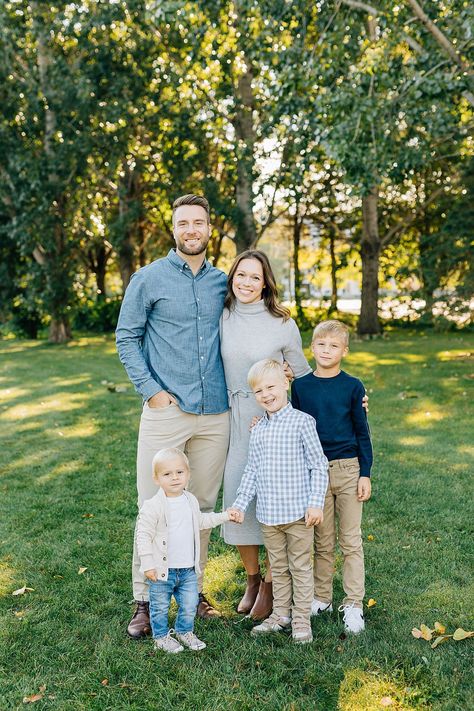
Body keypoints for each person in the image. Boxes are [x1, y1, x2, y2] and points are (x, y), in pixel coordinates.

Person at [116, 194, 230, 638]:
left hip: (216, 413)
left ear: (208, 228)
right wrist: (152, 392)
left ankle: (192, 593)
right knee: (156, 508)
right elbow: (127, 337)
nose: (191, 230)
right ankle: (144, 601)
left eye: (198, 222)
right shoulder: (148, 279)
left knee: (199, 507)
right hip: (167, 412)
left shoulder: (224, 281)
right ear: (174, 229)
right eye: (183, 223)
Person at [220, 250, 311, 620]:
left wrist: (352, 398)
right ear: (232, 278)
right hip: (237, 419)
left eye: (254, 277)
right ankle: (253, 579)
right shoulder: (222, 316)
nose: (246, 283)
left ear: (265, 283)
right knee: (239, 497)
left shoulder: (283, 323)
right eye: (240, 275)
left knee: (276, 501)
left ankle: (274, 583)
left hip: (275, 422)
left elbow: (304, 374)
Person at [232, 359, 329, 644]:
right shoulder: (258, 429)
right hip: (269, 515)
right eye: (259, 391)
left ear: (285, 383)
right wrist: (239, 504)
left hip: (299, 514)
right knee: (279, 567)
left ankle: (301, 620)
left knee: (300, 567)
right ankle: (280, 615)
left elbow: (318, 465)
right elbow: (252, 470)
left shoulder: (302, 422)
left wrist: (315, 503)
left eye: (271, 387)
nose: (266, 394)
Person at [291, 320, 373, 634]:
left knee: (350, 542)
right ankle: (321, 596)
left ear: (345, 351)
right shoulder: (300, 386)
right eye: (321, 344)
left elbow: (362, 432)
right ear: (312, 347)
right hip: (314, 472)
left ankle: (353, 604)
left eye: (334, 346)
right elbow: (293, 427)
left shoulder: (353, 386)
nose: (327, 351)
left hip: (348, 469)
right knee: (322, 542)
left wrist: (365, 473)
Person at [136, 448, 241, 653]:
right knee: (159, 607)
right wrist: (148, 564)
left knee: (190, 604)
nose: (174, 478)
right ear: (156, 479)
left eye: (179, 472)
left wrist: (225, 516)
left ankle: (185, 631)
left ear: (188, 474)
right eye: (167, 474)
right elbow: (143, 536)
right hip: (162, 571)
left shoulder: (190, 500)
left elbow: (202, 521)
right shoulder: (153, 506)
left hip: (187, 570)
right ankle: (161, 637)